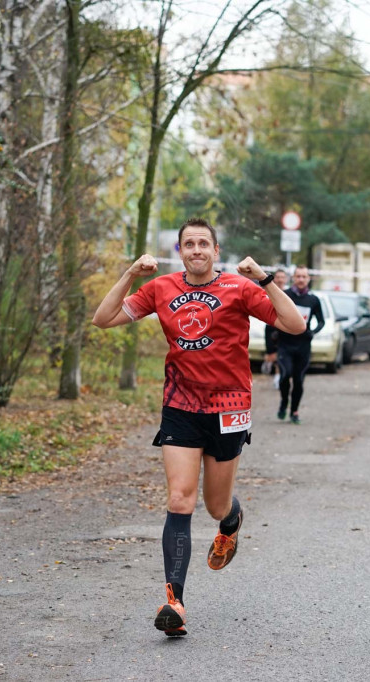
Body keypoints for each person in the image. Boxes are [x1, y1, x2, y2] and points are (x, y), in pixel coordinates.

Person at [90, 218, 305, 638]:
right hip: (181, 406)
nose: (196, 250)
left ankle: (230, 522)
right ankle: (175, 602)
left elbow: (294, 325)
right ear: (181, 250)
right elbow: (103, 318)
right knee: (179, 499)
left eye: (203, 243)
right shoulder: (161, 288)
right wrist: (131, 273)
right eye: (189, 244)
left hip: (229, 408)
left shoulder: (240, 289)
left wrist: (264, 279)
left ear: (215, 250)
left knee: (215, 506)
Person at [275, 265, 324, 425]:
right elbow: (272, 315)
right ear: (293, 278)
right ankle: (283, 402)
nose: (301, 279)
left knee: (298, 380)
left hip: (303, 346)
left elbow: (321, 321)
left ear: (308, 279)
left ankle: (294, 411)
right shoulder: (285, 295)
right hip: (285, 345)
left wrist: (312, 332)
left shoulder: (313, 299)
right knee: (285, 375)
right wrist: (273, 336)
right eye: (298, 276)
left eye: (304, 276)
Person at [262, 269, 288, 388]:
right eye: (278, 277)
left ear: (286, 279)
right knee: (272, 354)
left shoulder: (289, 293)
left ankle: (279, 377)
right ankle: (268, 362)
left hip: (284, 327)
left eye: (282, 277)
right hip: (270, 327)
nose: (280, 280)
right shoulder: (266, 292)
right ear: (274, 278)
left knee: (282, 355)